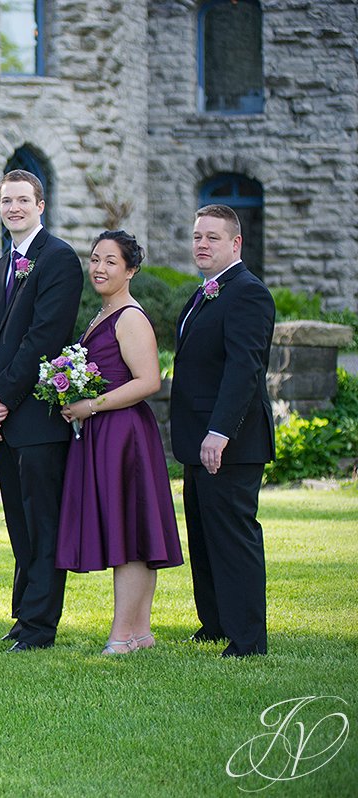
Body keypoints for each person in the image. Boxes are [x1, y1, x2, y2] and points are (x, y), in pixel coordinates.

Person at [54, 231, 183, 654]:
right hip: (105, 433)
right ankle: (139, 632)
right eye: (94, 259)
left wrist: (91, 405)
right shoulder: (103, 312)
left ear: (131, 270)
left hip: (124, 434)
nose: (99, 268)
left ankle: (123, 634)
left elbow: (149, 381)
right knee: (132, 531)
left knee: (130, 534)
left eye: (111, 261)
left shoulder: (129, 316)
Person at [0, 170, 83, 652]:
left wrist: (3, 397)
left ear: (41, 205)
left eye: (22, 200)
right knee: (18, 521)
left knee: (43, 524)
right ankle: (23, 616)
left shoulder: (59, 259)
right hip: (5, 420)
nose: (13, 207)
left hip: (37, 418)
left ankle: (41, 626)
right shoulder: (0, 268)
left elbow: (45, 337)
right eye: (5, 200)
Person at [171, 204, 275, 657]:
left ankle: (247, 638)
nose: (202, 245)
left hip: (230, 442)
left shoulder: (248, 293)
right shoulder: (206, 293)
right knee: (205, 535)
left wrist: (219, 432)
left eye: (212, 237)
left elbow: (244, 370)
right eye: (197, 237)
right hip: (200, 441)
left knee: (234, 539)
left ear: (236, 243)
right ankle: (214, 623)